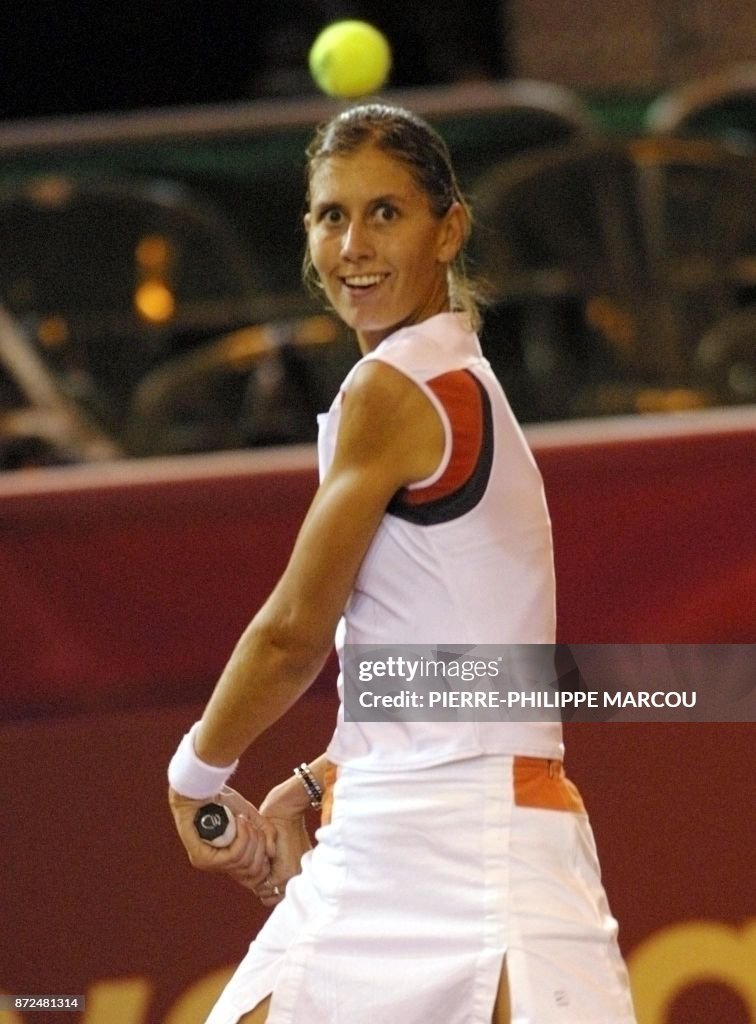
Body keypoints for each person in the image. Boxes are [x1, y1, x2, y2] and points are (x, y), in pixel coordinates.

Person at [167, 103, 637, 1024]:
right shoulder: (442, 378)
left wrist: (193, 775)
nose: (355, 243)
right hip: (397, 838)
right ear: (307, 238)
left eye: (387, 212)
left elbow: (293, 633)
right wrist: (323, 775)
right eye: (331, 215)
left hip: (487, 847)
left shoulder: (396, 390)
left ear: (448, 228)